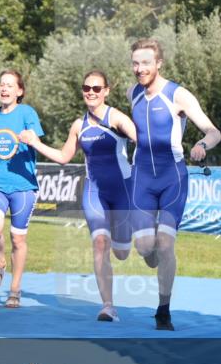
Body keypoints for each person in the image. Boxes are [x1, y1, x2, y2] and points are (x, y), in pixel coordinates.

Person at [20, 70, 137, 322]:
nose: (91, 93)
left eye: (96, 88)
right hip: (94, 193)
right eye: (87, 88)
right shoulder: (78, 125)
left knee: (122, 252)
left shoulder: (116, 118)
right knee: (99, 244)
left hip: (123, 193)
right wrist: (35, 143)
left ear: (106, 91)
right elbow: (64, 157)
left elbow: (143, 140)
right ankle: (108, 306)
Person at [128, 38, 221, 330]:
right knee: (146, 249)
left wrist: (202, 145)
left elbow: (213, 131)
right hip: (141, 179)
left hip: (172, 180)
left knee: (166, 244)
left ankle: (163, 309)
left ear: (158, 63)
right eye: (135, 63)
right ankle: (152, 251)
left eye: (145, 63)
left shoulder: (177, 94)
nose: (140, 69)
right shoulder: (133, 94)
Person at [0, 70, 43, 308]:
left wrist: (29, 136)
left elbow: (35, 136)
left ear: (19, 91)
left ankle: (15, 289)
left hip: (23, 185)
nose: (4, 89)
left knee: (18, 238)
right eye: (2, 84)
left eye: (10, 85)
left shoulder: (27, 113)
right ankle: (0, 262)